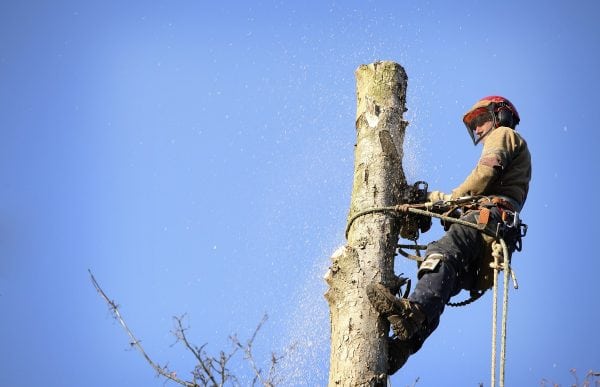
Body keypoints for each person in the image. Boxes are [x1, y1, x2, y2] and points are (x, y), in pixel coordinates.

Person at [367, 95, 532, 374]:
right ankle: (404, 346)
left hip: (487, 221)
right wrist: (426, 201)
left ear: (500, 116)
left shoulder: (504, 135)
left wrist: (448, 200)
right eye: (474, 125)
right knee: (443, 279)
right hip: (488, 241)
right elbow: (462, 199)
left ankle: (412, 314)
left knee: (439, 254)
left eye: (481, 120)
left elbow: (484, 174)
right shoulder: (505, 170)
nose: (478, 129)